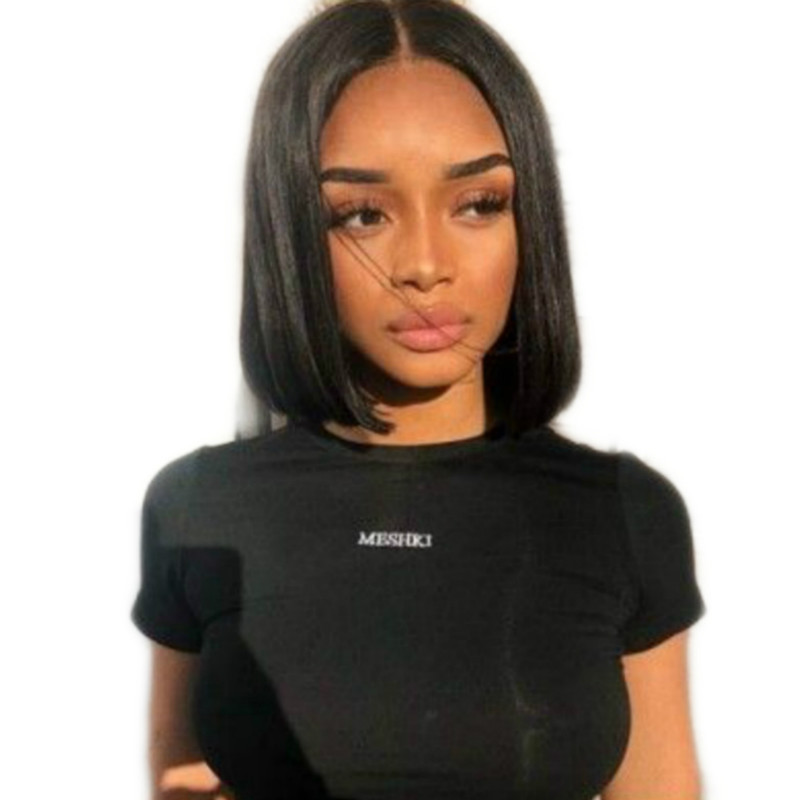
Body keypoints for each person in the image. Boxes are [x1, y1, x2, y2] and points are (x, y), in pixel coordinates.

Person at [131, 1, 707, 798]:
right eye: (362, 214)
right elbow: (180, 784)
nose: (426, 265)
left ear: (528, 216)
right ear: (290, 230)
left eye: (478, 203)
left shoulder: (624, 516)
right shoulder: (198, 510)